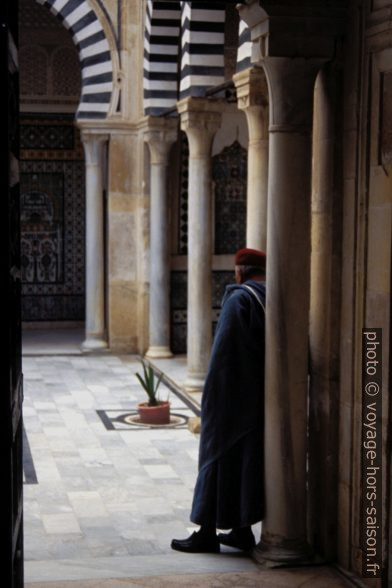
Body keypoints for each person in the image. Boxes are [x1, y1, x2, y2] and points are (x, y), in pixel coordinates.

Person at [171, 247, 266, 554]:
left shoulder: (240, 298)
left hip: (231, 398)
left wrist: (211, 402)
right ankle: (242, 530)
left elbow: (224, 355)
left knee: (215, 458)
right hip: (258, 398)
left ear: (240, 271)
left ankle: (206, 532)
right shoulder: (269, 297)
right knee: (246, 462)